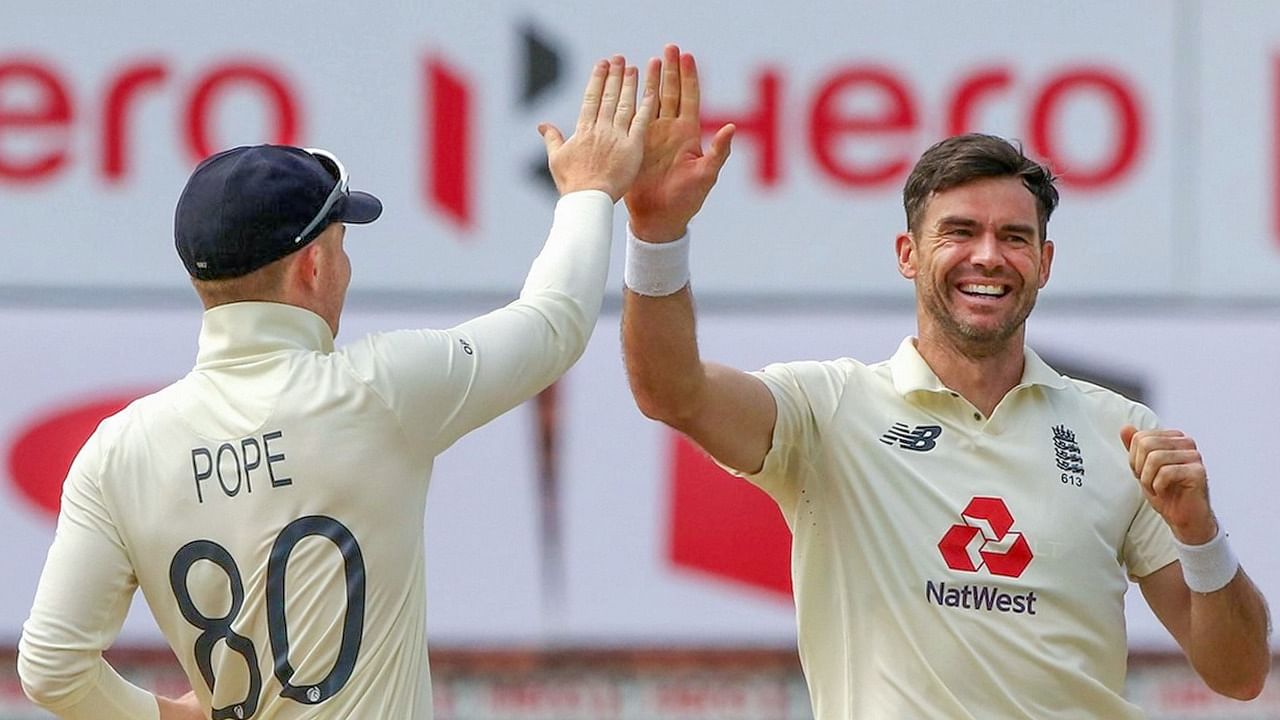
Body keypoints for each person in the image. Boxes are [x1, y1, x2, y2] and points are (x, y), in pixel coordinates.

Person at [620, 44, 1270, 719]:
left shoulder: (1119, 430)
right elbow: (672, 391)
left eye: (1014, 238)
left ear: (1044, 262)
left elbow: (1240, 674)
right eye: (960, 232)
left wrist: (1198, 533)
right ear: (909, 255)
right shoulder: (831, 408)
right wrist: (657, 235)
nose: (988, 256)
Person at [18, 54, 654, 720]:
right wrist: (588, 189)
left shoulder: (117, 452)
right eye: (343, 241)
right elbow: (555, 324)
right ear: (313, 265)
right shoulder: (378, 392)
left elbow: (52, 672)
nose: (345, 264)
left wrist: (181, 716)